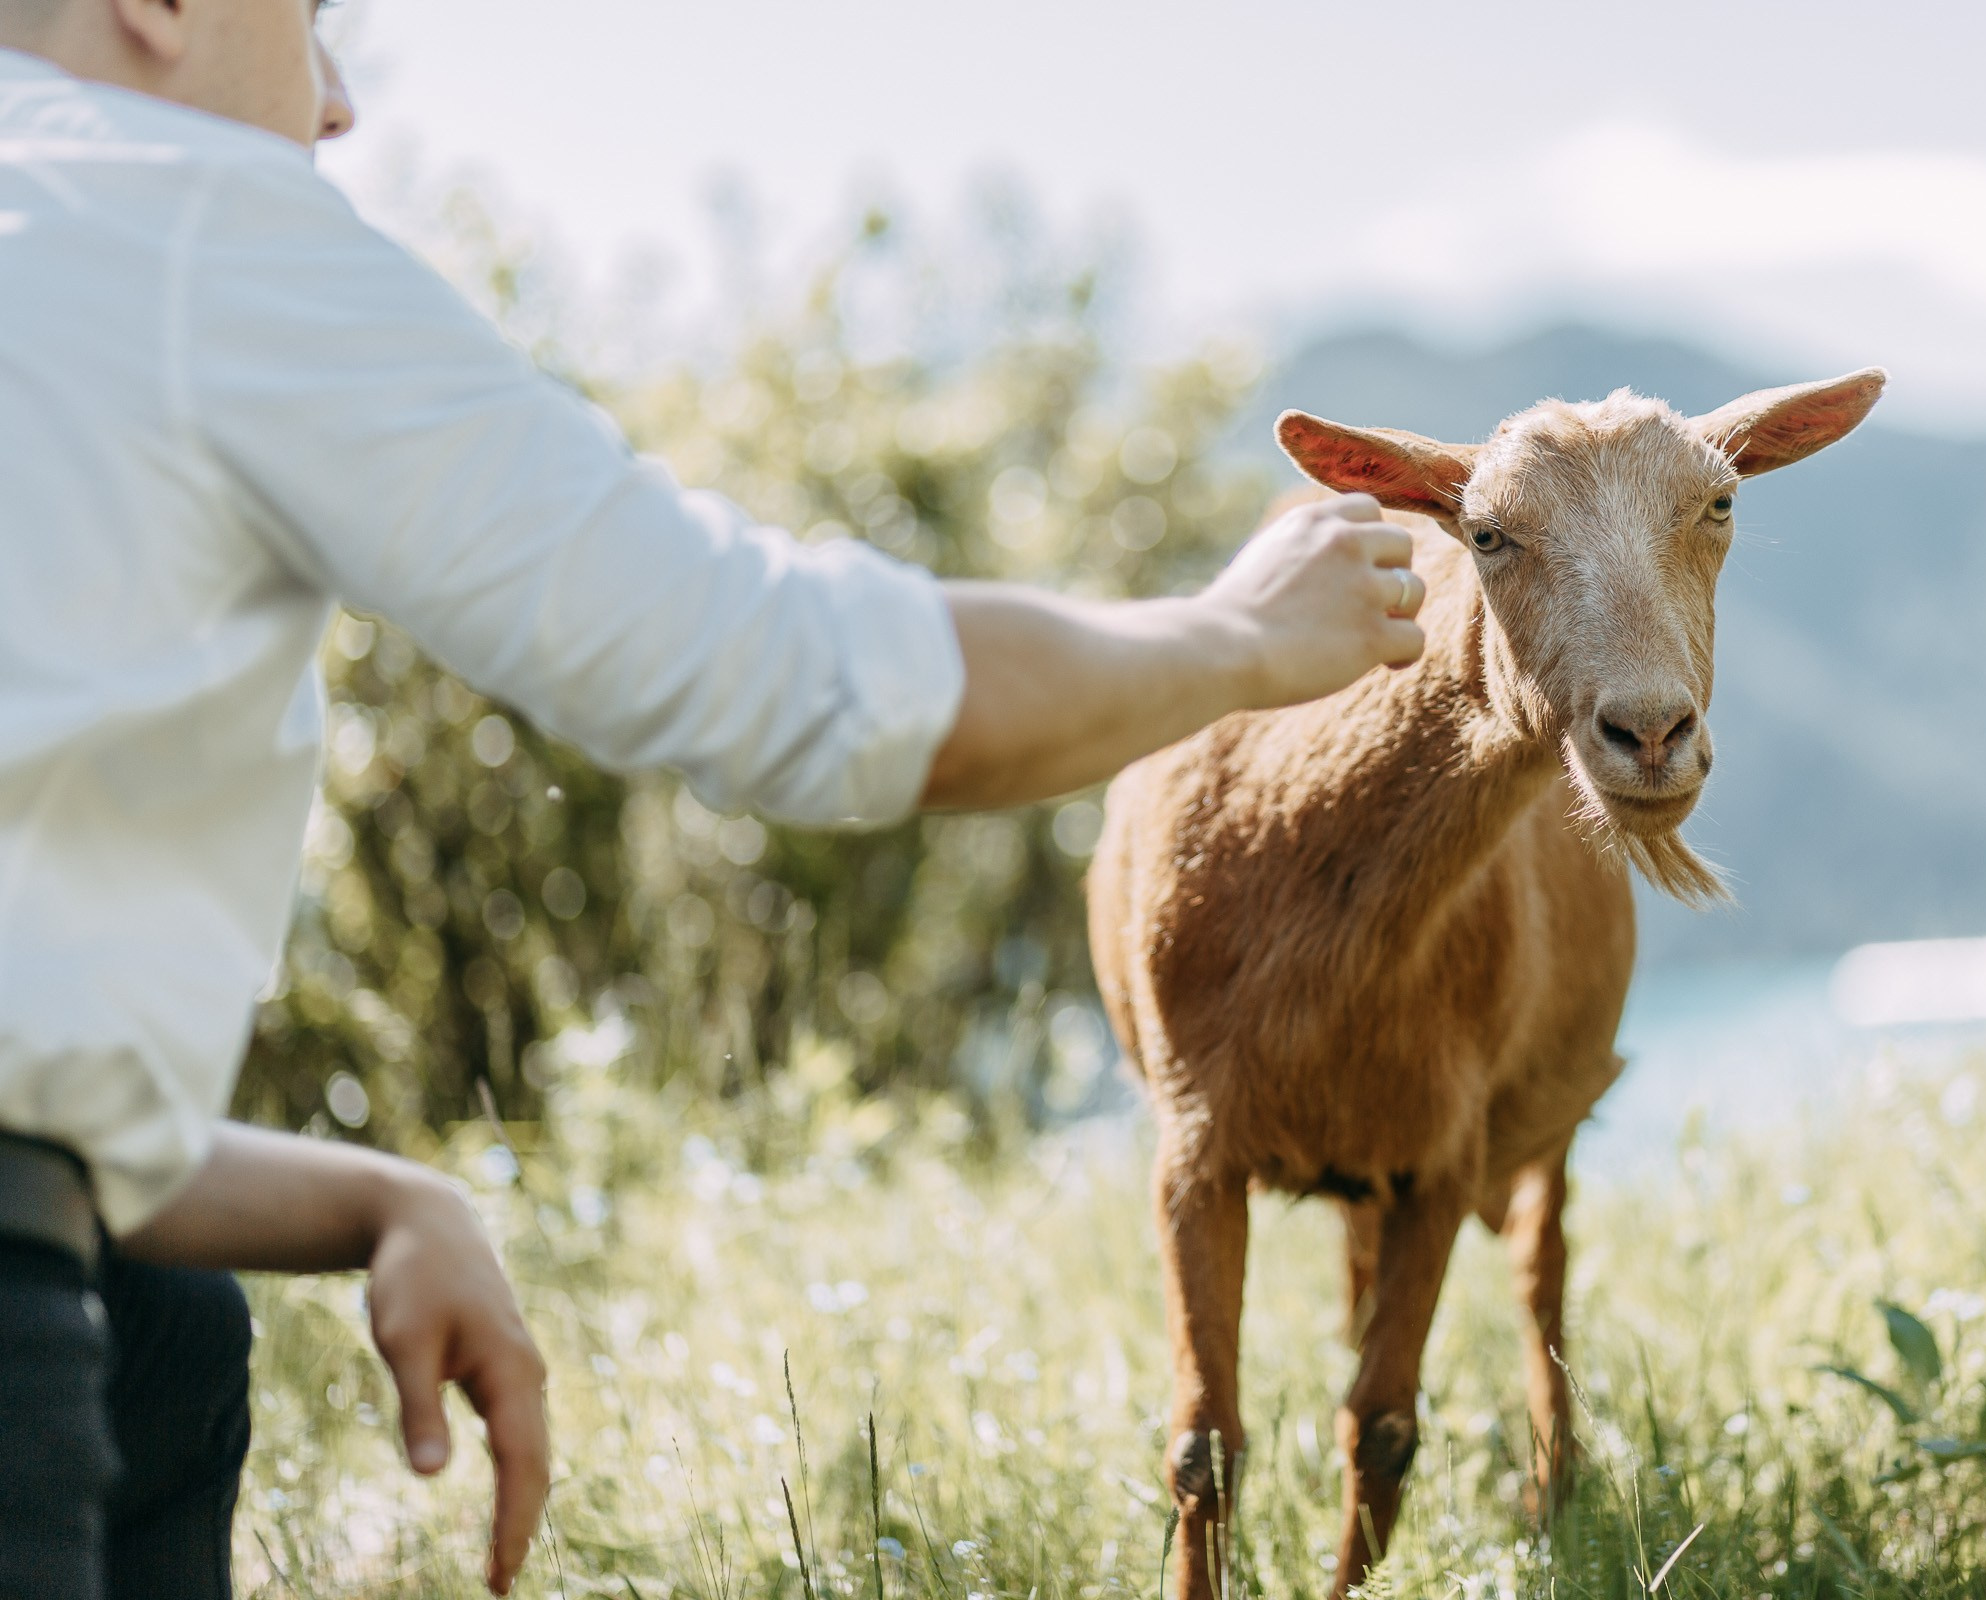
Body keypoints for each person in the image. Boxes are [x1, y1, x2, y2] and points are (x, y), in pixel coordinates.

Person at [0, 0, 1431, 1594]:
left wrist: (371, 1193)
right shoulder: (188, 221)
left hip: (84, 1259)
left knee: (169, 1325)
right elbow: (805, 683)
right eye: (314, 19)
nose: (336, 104)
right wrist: (1238, 636)